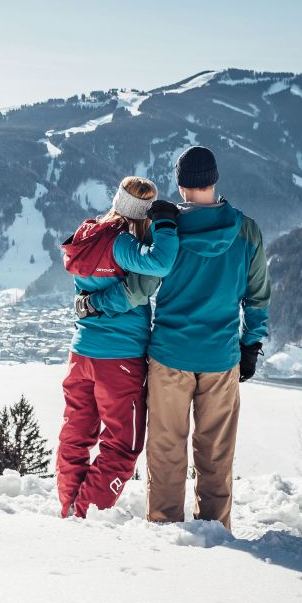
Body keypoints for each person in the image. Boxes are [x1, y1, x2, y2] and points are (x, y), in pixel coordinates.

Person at [88, 146, 269, 528]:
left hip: (170, 357)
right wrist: (250, 345)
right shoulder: (246, 230)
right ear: (214, 179)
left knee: (167, 450)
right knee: (216, 454)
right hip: (221, 360)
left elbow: (138, 289)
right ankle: (215, 531)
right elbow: (257, 298)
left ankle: (166, 533)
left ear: (181, 183)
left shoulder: (168, 229)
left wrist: (94, 303)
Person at [55, 176, 179, 518]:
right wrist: (166, 224)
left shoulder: (88, 234)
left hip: (81, 353)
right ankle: (85, 514)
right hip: (119, 359)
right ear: (143, 213)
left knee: (76, 433)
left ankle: (69, 509)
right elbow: (162, 262)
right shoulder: (122, 243)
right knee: (123, 445)